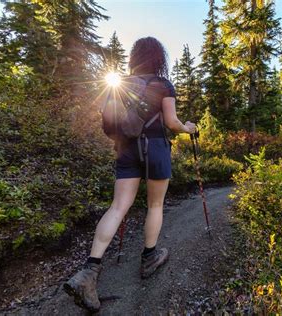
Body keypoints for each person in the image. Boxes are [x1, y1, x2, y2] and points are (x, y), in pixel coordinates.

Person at [63, 37, 196, 312]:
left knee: (117, 207)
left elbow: (110, 120)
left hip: (125, 149)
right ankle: (149, 257)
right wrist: (189, 128)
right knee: (155, 204)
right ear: (159, 58)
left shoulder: (121, 83)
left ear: (134, 57)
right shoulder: (163, 85)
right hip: (156, 147)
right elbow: (171, 123)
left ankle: (89, 271)